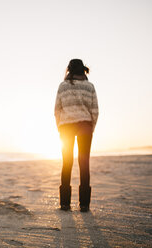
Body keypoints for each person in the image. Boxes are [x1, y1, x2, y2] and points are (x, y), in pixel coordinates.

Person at [54, 59, 99, 212]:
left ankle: (65, 204)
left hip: (66, 126)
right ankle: (84, 205)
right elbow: (95, 110)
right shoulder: (90, 86)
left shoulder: (63, 86)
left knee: (67, 163)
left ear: (69, 70)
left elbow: (57, 109)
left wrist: (59, 126)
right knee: (84, 163)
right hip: (85, 126)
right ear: (83, 70)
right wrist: (90, 127)